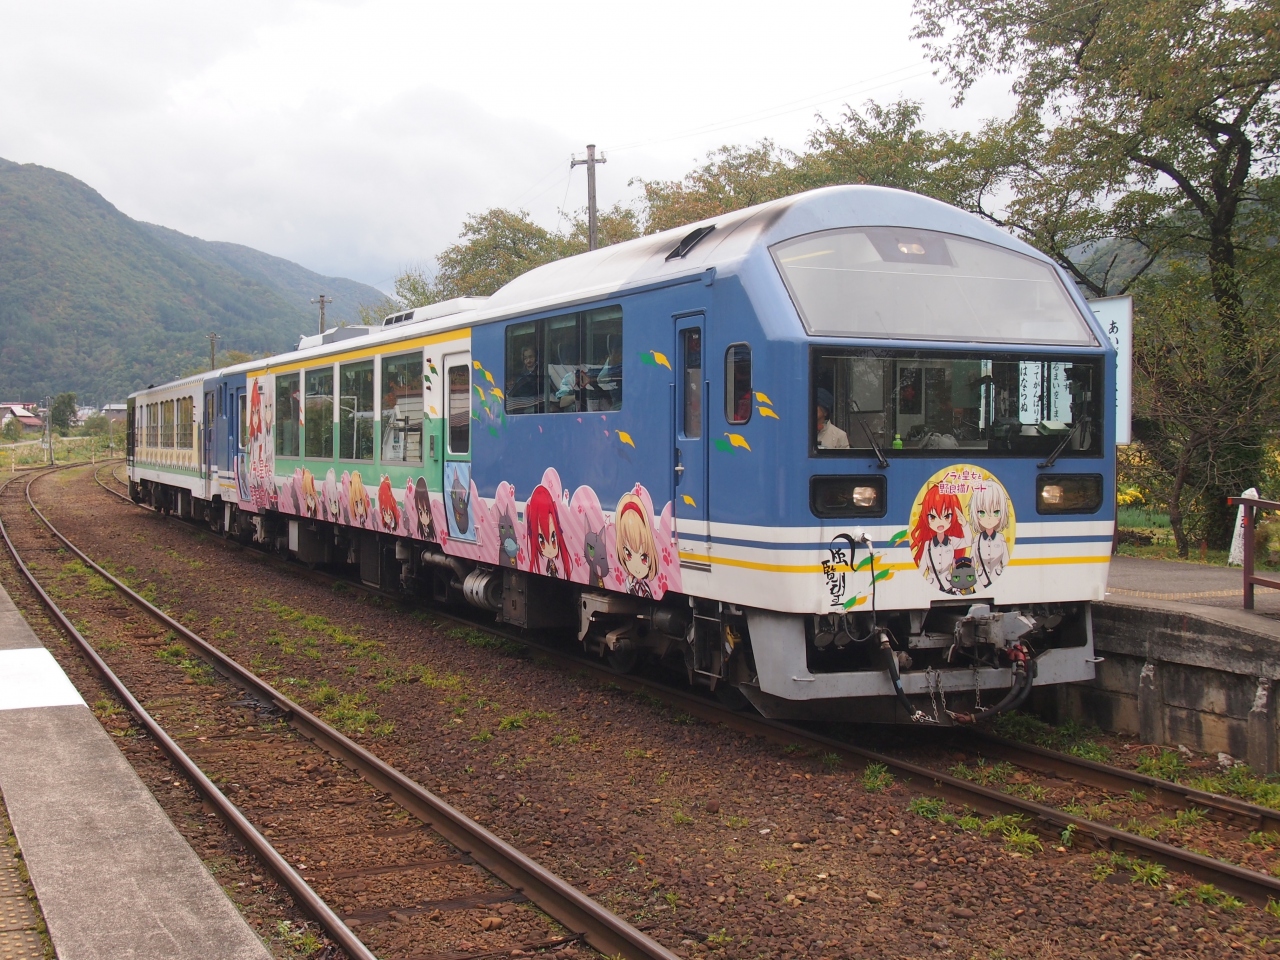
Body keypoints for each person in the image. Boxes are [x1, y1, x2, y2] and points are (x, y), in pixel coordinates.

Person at [508, 345, 545, 414]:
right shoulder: (520, 373)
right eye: (525, 358)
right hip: (523, 402)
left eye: (531, 357)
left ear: (536, 357)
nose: (528, 360)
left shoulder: (542, 369)